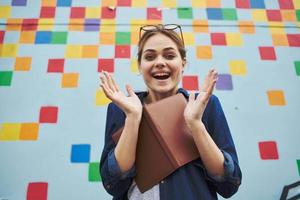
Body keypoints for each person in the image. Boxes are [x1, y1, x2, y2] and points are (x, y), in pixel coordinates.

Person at [99, 24, 242, 200]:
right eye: (150, 57)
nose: (160, 62)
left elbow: (228, 183)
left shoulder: (205, 105)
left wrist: (196, 124)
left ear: (182, 63)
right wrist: (133, 118)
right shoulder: (121, 108)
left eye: (169, 55)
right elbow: (112, 183)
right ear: (140, 65)